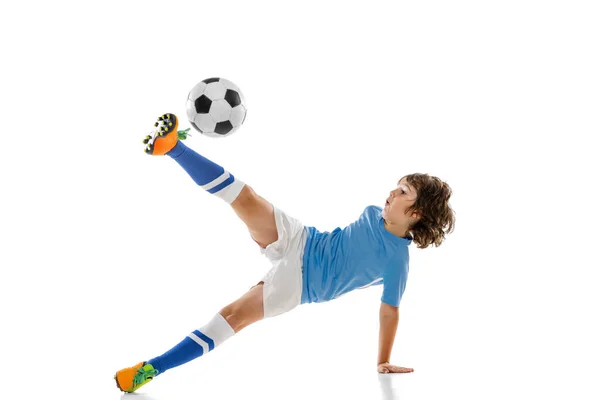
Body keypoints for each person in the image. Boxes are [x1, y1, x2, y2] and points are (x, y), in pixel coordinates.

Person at [114, 113, 456, 393]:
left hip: (299, 284)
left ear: (416, 213)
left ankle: (149, 369)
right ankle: (172, 147)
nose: (391, 193)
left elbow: (389, 312)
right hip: (301, 239)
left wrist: (383, 359)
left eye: (403, 192)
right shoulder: (371, 212)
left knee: (231, 316)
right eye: (396, 186)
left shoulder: (398, 261)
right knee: (245, 196)